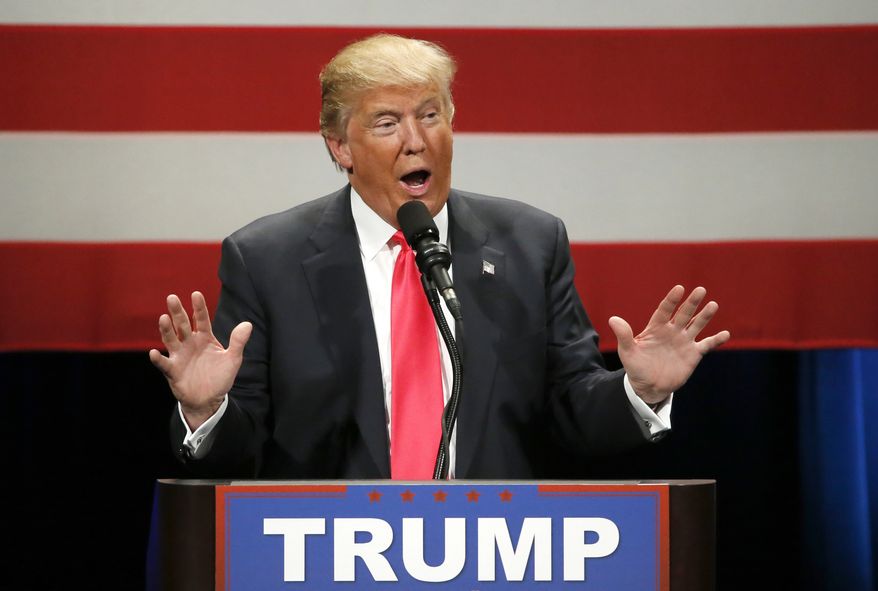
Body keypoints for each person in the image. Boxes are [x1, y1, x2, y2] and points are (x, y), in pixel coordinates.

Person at [149, 34, 730, 480]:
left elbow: (571, 413)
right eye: (386, 122)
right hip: (331, 559)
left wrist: (640, 393)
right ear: (340, 147)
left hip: (496, 557)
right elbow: (243, 446)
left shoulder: (530, 244)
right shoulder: (266, 259)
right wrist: (207, 411)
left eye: (430, 114)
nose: (415, 139)